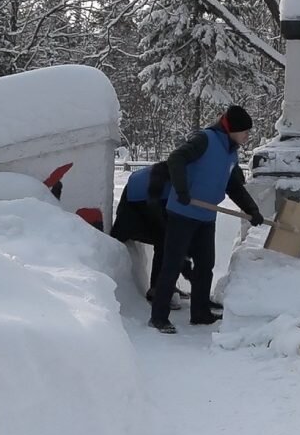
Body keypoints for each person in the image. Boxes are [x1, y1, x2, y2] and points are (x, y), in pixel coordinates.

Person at [149, 105, 265, 333]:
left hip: (206, 216)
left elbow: (233, 186)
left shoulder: (230, 153)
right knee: (172, 264)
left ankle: (200, 312)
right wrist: (182, 190)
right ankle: (159, 317)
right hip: (182, 212)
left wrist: (252, 210)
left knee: (205, 265)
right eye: (245, 131)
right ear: (232, 129)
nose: (247, 136)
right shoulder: (205, 140)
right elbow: (176, 159)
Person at [111, 161, 189, 309]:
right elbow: (159, 220)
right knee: (166, 241)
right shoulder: (157, 185)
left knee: (172, 238)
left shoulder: (166, 173)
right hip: (132, 223)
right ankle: (157, 290)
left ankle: (167, 285)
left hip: (148, 216)